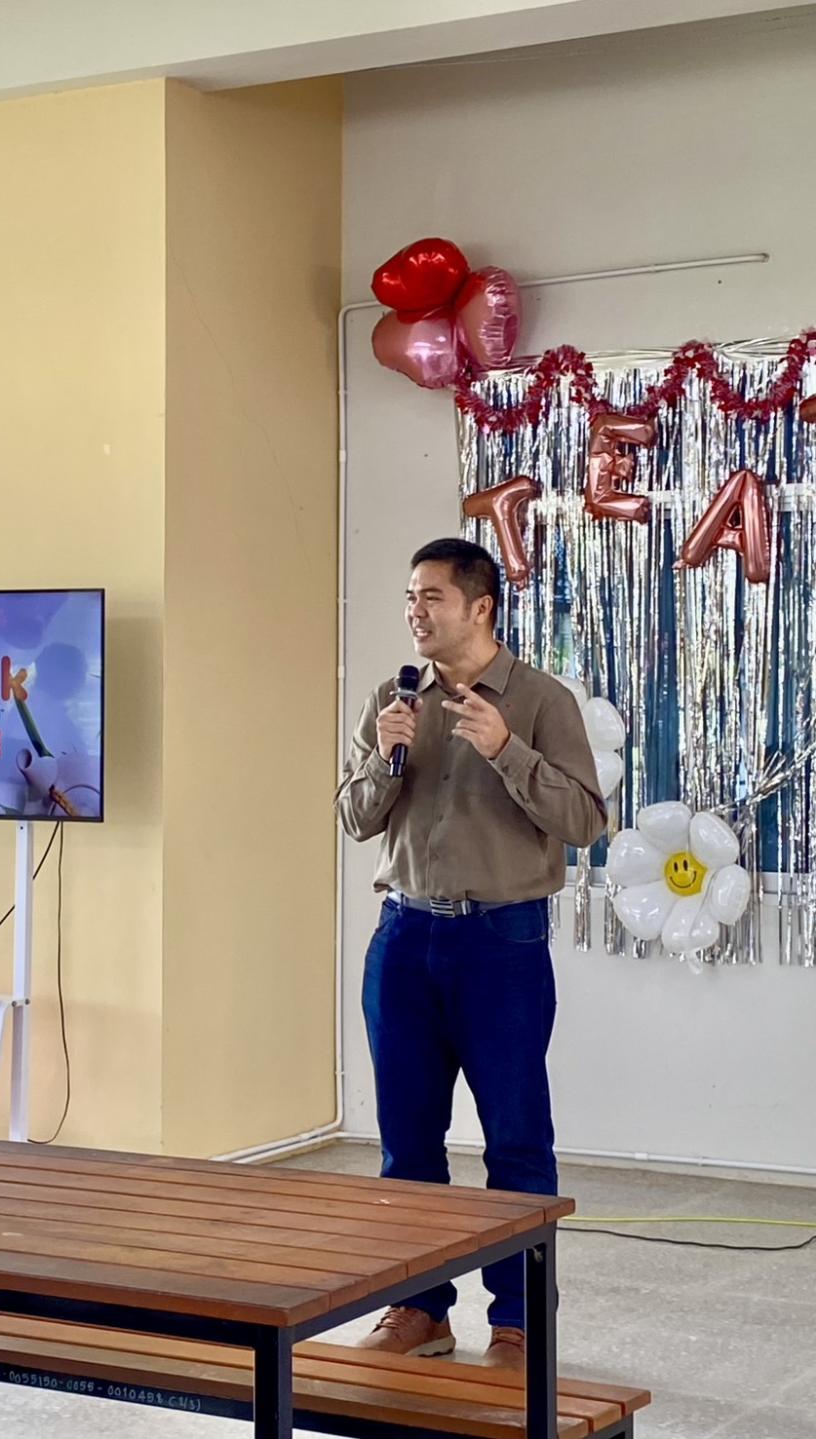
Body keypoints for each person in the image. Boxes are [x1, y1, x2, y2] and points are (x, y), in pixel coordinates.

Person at [336, 537, 607, 1364]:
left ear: (481, 607)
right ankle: (419, 1310)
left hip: (501, 943)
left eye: (432, 597)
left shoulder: (541, 701)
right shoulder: (394, 698)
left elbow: (585, 822)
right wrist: (386, 759)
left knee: (516, 1140)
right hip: (403, 937)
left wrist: (505, 749)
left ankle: (520, 1321)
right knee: (406, 1141)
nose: (415, 612)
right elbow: (353, 817)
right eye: (409, 597)